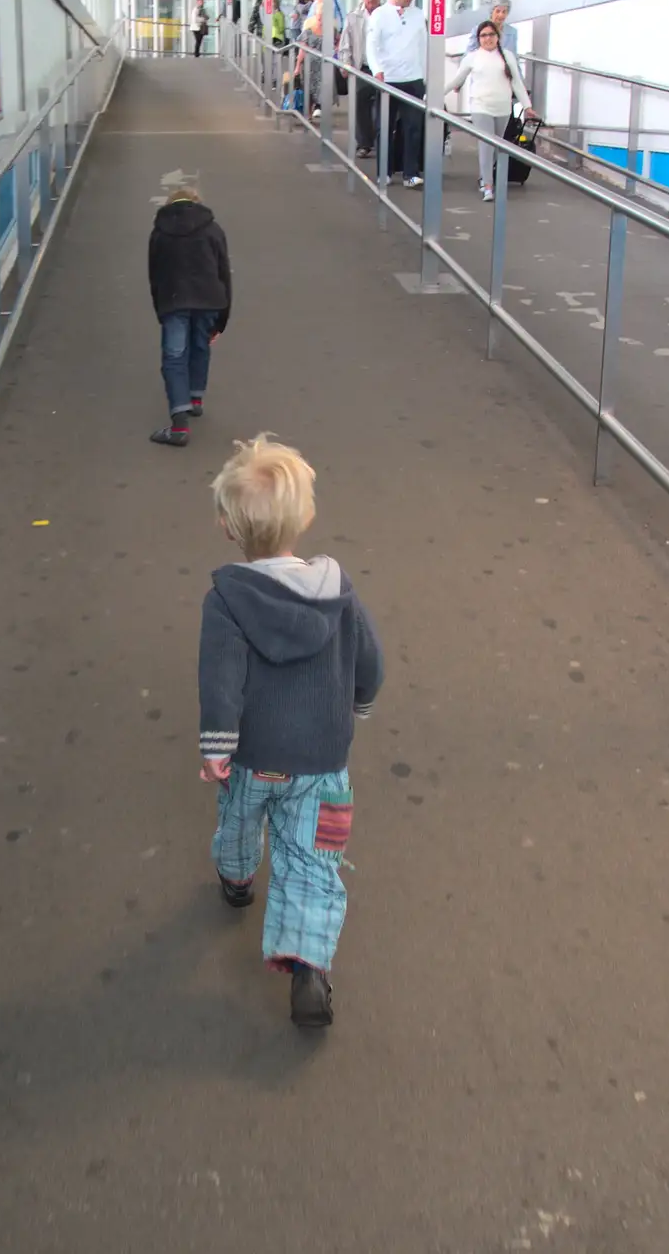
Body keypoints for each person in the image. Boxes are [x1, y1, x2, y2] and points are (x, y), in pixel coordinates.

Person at [199, 434, 384, 1029]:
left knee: (239, 820)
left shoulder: (228, 599)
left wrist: (218, 745)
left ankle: (235, 879)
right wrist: (358, 702)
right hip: (322, 759)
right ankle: (307, 964)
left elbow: (221, 678)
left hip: (256, 755)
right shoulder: (337, 592)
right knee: (311, 857)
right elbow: (369, 661)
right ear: (306, 516)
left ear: (228, 528)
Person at [147, 182, 231, 447]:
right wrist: (222, 319)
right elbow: (223, 273)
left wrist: (160, 309)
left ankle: (179, 426)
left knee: (174, 356)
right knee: (200, 347)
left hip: (174, 301)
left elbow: (155, 276)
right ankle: (195, 399)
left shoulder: (160, 234)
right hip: (209, 299)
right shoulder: (213, 230)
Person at [446, 20, 537, 202]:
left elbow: (517, 83)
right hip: (481, 107)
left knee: (497, 146)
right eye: (483, 35)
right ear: (478, 38)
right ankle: (488, 185)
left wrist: (527, 106)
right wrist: (435, 94)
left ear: (498, 37)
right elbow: (457, 80)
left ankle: (486, 176)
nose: (487, 39)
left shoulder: (508, 56)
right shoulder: (472, 57)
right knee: (486, 145)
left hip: (503, 108)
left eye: (491, 35)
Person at [367, 0, 427, 188]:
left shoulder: (419, 15)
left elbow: (424, 46)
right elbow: (371, 44)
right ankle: (385, 171)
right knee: (385, 127)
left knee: (413, 128)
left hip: (413, 78)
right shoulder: (380, 15)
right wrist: (377, 70)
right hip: (388, 79)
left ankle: (410, 173)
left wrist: (425, 77)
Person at [337, 0, 383, 158]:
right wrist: (345, 63)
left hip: (381, 68)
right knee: (359, 103)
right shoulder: (353, 16)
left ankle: (381, 141)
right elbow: (345, 44)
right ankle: (364, 142)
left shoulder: (386, 15)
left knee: (382, 105)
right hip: (361, 67)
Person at [294, 0, 324, 121]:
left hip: (323, 66)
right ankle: (308, 114)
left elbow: (339, 40)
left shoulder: (330, 30)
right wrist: (297, 67)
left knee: (321, 91)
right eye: (319, 16)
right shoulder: (308, 30)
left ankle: (317, 110)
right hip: (309, 66)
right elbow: (302, 49)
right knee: (308, 91)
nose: (321, 19)